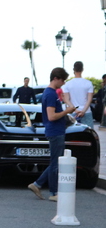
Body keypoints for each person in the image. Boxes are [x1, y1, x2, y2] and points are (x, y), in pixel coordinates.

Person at [28, 67, 75, 202]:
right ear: (56, 78)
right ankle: (53, 192)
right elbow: (52, 116)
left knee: (55, 162)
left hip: (56, 131)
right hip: (55, 131)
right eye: (62, 80)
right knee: (55, 163)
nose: (63, 83)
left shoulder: (51, 93)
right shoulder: (50, 94)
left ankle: (38, 184)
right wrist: (66, 111)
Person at [62, 61, 94, 126]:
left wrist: (75, 110)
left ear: (73, 70)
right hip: (86, 111)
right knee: (88, 134)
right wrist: (83, 111)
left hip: (72, 112)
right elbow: (89, 99)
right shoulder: (88, 83)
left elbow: (66, 100)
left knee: (73, 134)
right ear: (82, 69)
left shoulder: (67, 84)